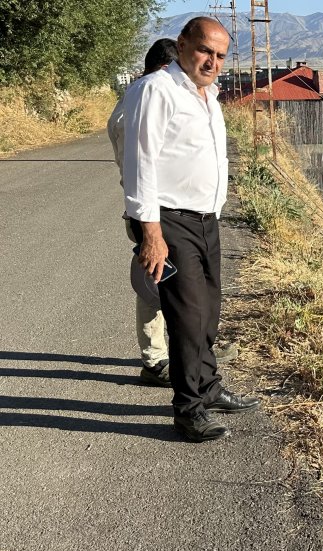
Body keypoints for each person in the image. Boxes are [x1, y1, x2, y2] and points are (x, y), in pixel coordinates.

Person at [122, 17, 258, 442]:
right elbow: (140, 163)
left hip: (205, 219)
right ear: (182, 45)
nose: (212, 62)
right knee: (187, 316)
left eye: (220, 56)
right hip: (170, 221)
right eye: (205, 51)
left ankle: (209, 387)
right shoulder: (156, 90)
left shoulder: (208, 95)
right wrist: (151, 233)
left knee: (208, 312)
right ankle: (188, 410)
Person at [109, 39, 238, 387]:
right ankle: (157, 360)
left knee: (179, 290)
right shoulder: (142, 101)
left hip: (177, 212)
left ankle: (191, 355)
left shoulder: (171, 97)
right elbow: (139, 169)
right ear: (168, 66)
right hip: (158, 212)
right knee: (158, 287)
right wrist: (150, 225)